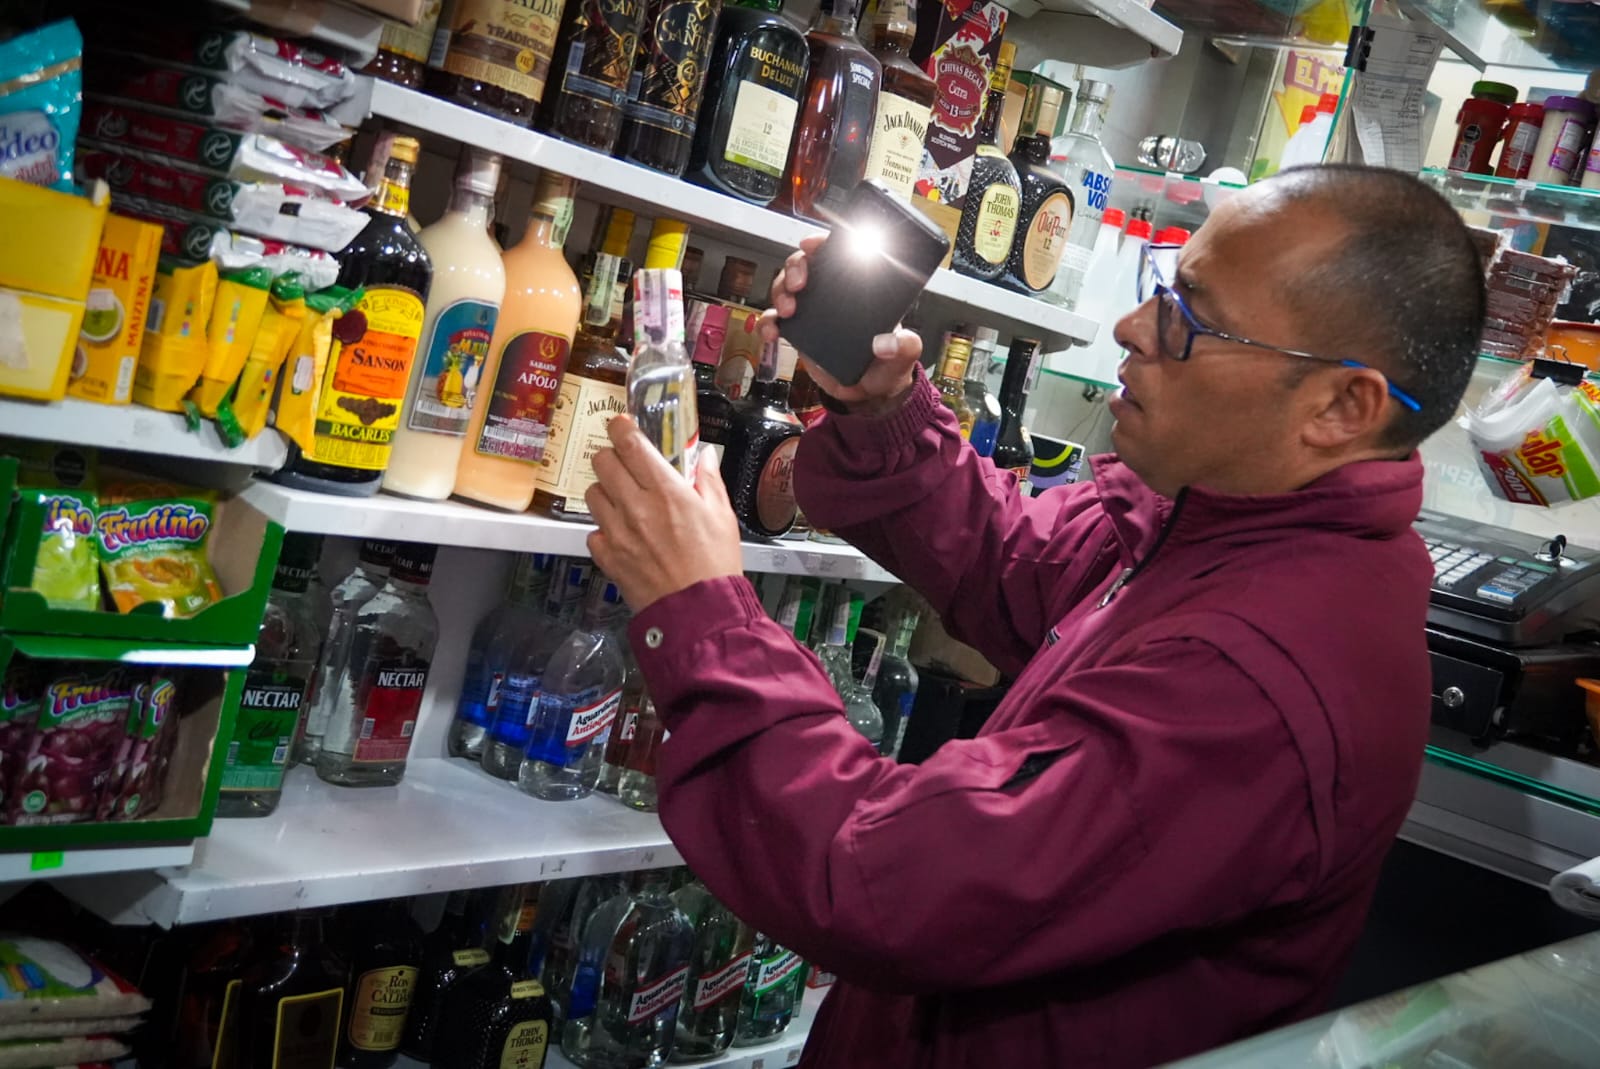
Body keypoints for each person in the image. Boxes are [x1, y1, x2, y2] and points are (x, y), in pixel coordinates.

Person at [583, 165, 1487, 1068]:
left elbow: (890, 885)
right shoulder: (1223, 523)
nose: (1134, 328)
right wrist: (883, 408)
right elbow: (1017, 559)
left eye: (1190, 319)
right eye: (1162, 289)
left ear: (1341, 406)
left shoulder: (1262, 676)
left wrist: (704, 618)